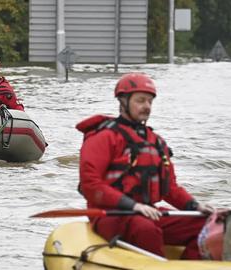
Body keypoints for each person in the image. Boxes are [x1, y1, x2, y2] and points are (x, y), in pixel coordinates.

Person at [75, 72, 214, 259]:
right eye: (140, 100)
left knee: (209, 227)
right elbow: (90, 185)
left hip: (147, 212)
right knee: (146, 230)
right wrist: (133, 206)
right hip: (111, 214)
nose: (146, 106)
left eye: (150, 101)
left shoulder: (156, 142)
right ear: (123, 101)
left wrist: (196, 206)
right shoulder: (103, 137)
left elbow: (170, 189)